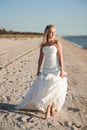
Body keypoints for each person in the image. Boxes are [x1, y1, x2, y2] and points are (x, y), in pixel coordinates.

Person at [15, 24, 67, 119]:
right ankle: (50, 108)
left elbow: (61, 58)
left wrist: (62, 71)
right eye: (51, 32)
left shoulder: (57, 43)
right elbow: (40, 58)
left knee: (52, 89)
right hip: (46, 70)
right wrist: (38, 69)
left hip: (55, 70)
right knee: (47, 90)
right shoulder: (43, 44)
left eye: (54, 32)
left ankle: (48, 110)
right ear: (47, 32)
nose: (52, 34)